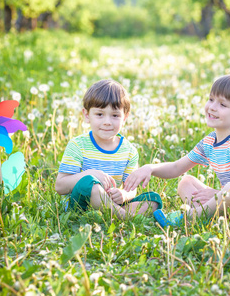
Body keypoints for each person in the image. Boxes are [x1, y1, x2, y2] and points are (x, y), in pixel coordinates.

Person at [124, 74, 230, 227]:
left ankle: (189, 217)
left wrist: (218, 193)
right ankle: (209, 215)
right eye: (211, 99)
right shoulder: (209, 142)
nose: (212, 107)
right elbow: (176, 168)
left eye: (223, 105)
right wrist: (149, 168)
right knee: (186, 182)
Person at [55, 79, 161, 219]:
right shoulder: (77, 145)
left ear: (125, 117)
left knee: (153, 199)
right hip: (81, 206)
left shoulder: (129, 151)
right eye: (100, 114)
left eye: (115, 115)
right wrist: (90, 174)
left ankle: (113, 212)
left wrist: (123, 194)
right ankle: (124, 216)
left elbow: (131, 188)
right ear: (87, 115)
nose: (107, 122)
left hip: (113, 202)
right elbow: (60, 187)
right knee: (90, 184)